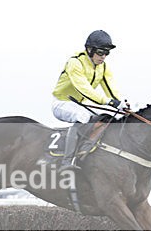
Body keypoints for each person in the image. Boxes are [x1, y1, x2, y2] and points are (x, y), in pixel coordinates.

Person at [50, 30, 123, 170]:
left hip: (80, 103)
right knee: (82, 116)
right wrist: (107, 101)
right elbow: (83, 89)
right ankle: (67, 162)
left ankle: (87, 147)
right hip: (62, 103)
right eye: (101, 52)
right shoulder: (75, 63)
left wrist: (121, 104)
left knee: (109, 115)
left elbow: (110, 87)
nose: (104, 57)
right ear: (90, 50)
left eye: (107, 53)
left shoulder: (103, 66)